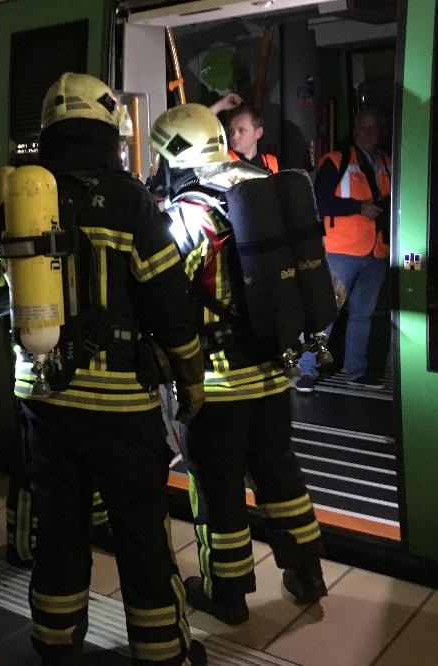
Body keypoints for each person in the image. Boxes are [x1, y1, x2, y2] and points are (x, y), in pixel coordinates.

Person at [0, 72, 207, 666]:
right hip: (121, 407)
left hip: (43, 401)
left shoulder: (13, 198)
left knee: (58, 534)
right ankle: (163, 653)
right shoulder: (130, 199)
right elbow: (168, 301)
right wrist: (190, 374)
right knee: (141, 538)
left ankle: (55, 647)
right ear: (107, 131)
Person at [148, 103, 327, 626]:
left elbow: (165, 286)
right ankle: (306, 572)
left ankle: (225, 594)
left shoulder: (187, 211)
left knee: (218, 488)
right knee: (278, 471)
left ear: (171, 153)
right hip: (273, 371)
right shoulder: (253, 190)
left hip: (218, 382)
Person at [296, 107, 391, 392]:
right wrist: (357, 207)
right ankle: (306, 371)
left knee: (363, 315)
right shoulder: (336, 161)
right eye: (362, 128)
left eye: (373, 129)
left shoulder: (387, 163)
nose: (368, 134)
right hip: (340, 252)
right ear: (354, 130)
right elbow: (319, 202)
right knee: (324, 315)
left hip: (375, 252)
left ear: (380, 131)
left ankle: (356, 372)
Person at [227, 105, 279, 174]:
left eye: (241, 130)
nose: (234, 136)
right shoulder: (223, 160)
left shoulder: (271, 163)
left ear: (259, 133)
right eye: (232, 130)